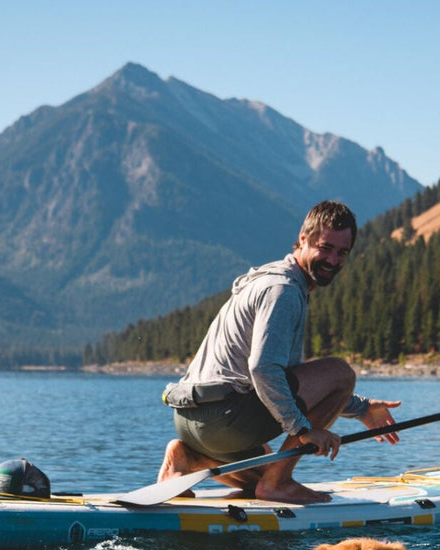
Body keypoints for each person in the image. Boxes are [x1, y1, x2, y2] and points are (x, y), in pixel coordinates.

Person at [157, 200, 401, 504]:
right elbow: (264, 370)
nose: (333, 260)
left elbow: (289, 383)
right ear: (302, 239)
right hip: (223, 419)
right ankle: (279, 484)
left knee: (258, 474)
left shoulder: (270, 279)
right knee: (341, 373)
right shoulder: (283, 291)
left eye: (342, 253)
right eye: (325, 248)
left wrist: (361, 409)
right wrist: (303, 430)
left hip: (191, 423)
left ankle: (187, 459)